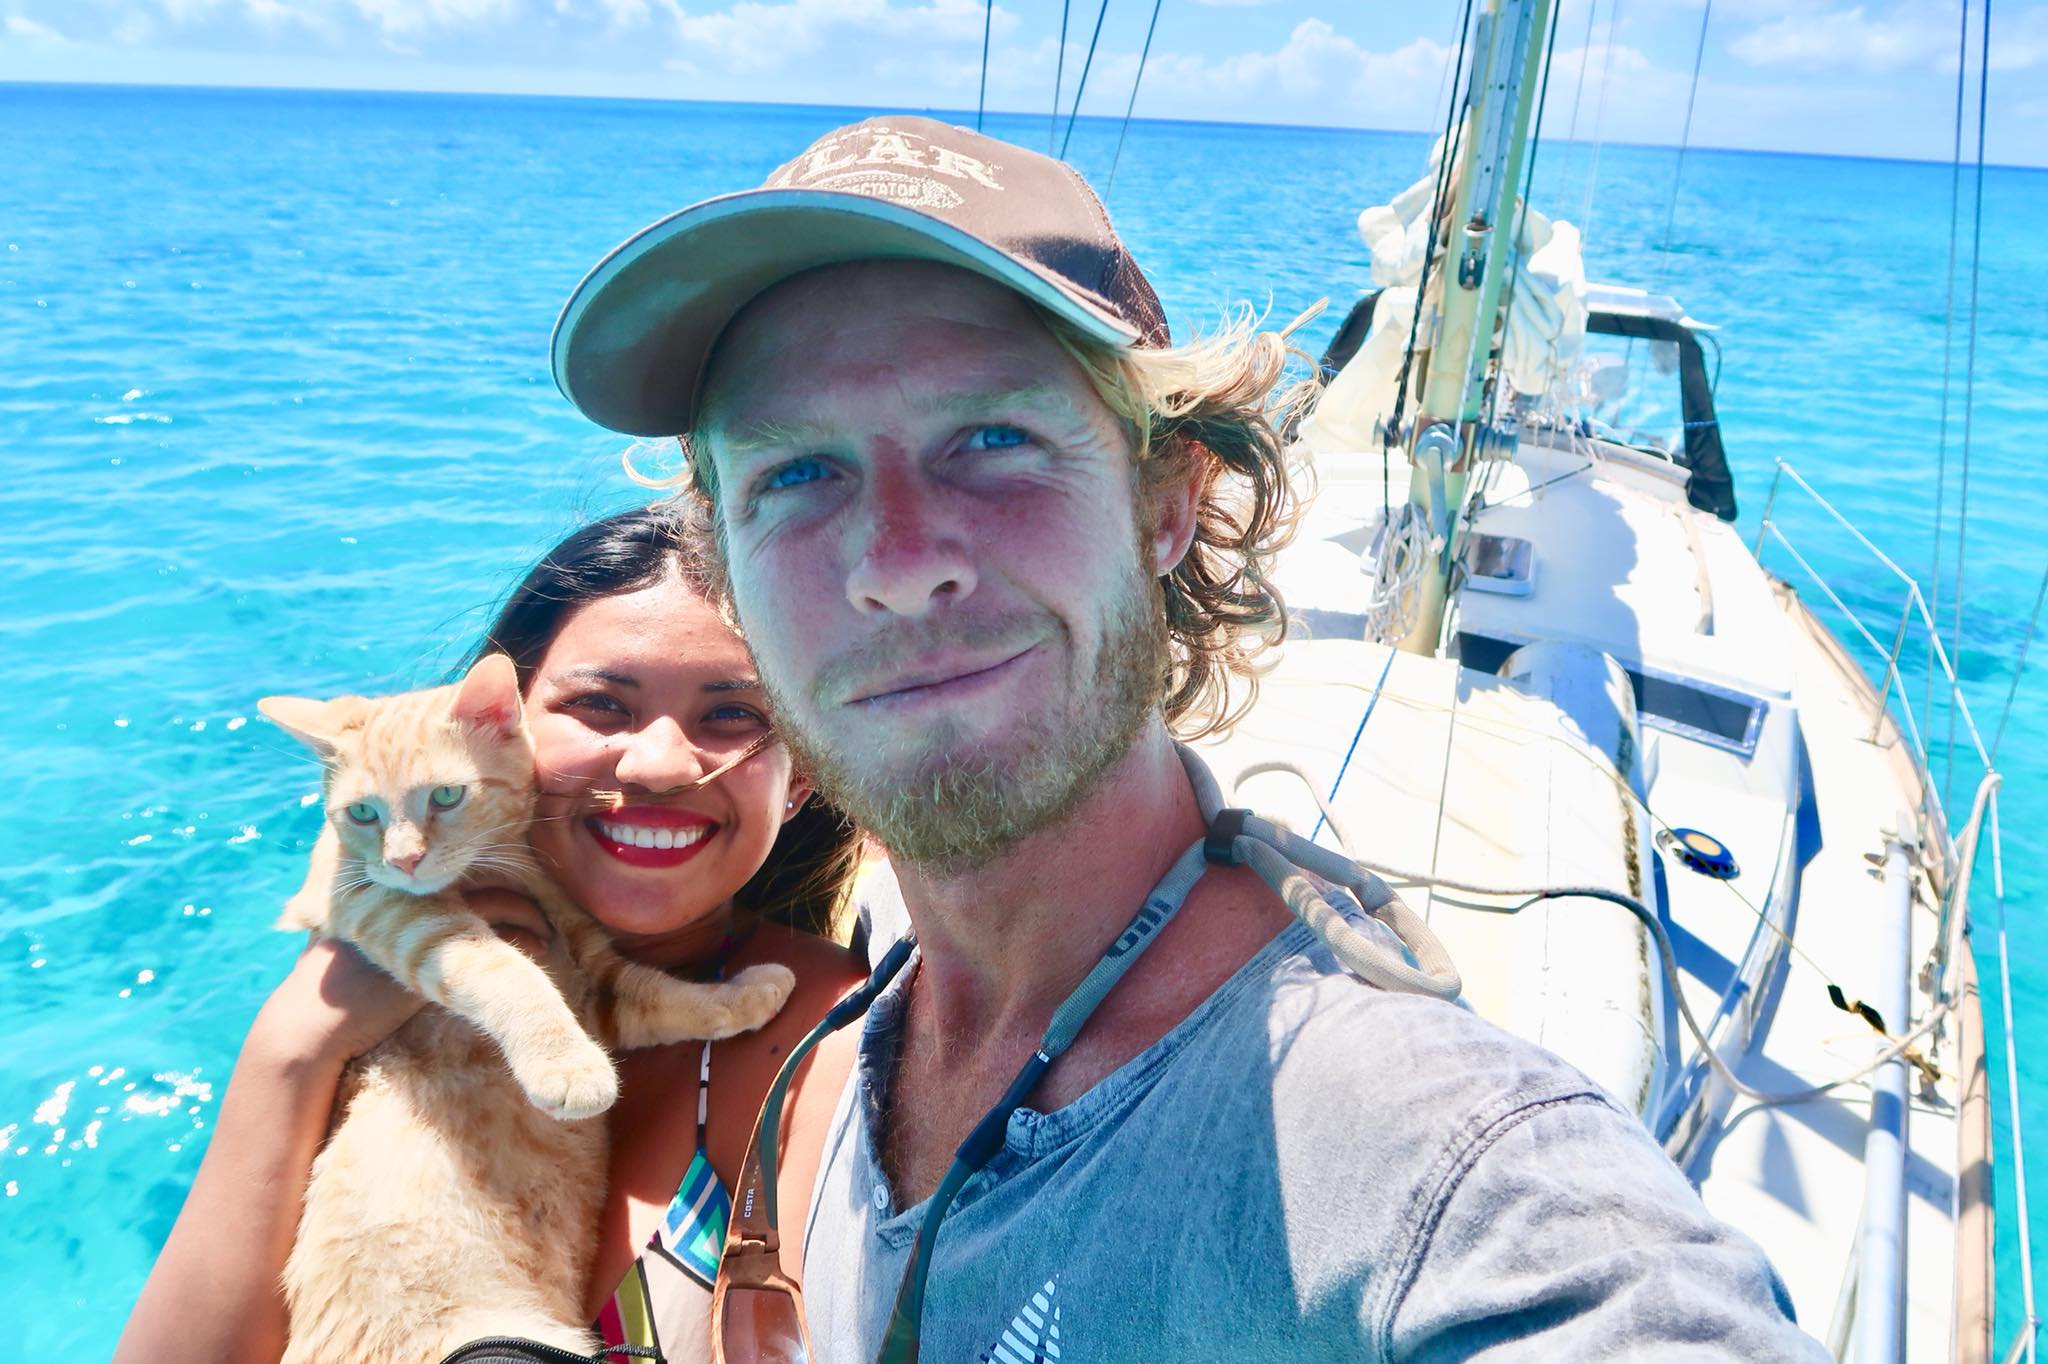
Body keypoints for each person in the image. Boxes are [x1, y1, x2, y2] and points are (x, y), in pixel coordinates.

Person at [548, 116, 1831, 1360]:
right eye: (795, 473)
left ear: (1164, 501)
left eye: (992, 438)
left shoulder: (1437, 1165)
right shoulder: (837, 1062)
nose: (896, 561)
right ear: (727, 573)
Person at [115, 504, 868, 1364]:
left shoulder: (829, 1044)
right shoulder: (361, 982)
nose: (657, 765)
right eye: (599, 703)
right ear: (506, 724)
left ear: (805, 770)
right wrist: (294, 1051)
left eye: (732, 713)